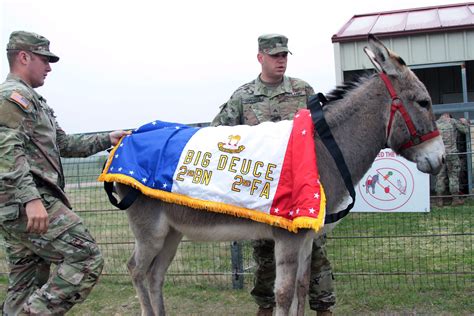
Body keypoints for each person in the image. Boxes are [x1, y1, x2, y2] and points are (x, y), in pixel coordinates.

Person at [0, 30, 128, 315]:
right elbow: (5, 151)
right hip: (28, 202)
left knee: (27, 283)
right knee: (86, 257)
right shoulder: (12, 97)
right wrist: (31, 200)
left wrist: (108, 139)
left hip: (19, 204)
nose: (49, 67)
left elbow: (65, 144)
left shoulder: (34, 100)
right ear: (23, 57)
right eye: (44, 59)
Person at [212, 34, 335, 316]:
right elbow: (219, 134)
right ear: (261, 57)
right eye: (275, 56)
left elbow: (323, 134)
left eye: (284, 55)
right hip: (264, 192)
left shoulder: (303, 91)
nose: (281, 61)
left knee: (314, 250)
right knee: (266, 254)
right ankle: (266, 307)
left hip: (303, 188)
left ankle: (323, 307)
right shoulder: (243, 97)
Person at [435, 112, 470, 206]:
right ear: (449, 116)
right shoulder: (453, 121)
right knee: (453, 176)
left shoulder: (435, 124)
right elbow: (465, 131)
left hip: (440, 154)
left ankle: (439, 200)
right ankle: (455, 199)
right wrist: (465, 123)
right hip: (452, 153)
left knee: (440, 176)